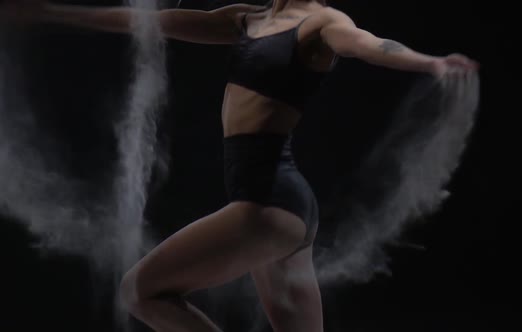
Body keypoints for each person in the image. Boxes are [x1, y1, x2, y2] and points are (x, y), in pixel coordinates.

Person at [0, 1, 478, 331]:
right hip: (284, 208)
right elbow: (153, 21)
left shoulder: (321, 23)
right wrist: (53, 13)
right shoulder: (246, 19)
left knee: (140, 292)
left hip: (267, 204)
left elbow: (368, 44)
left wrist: (428, 63)